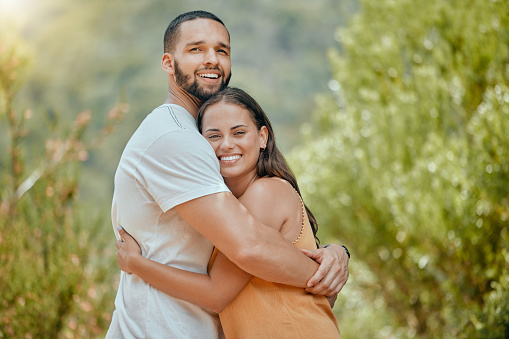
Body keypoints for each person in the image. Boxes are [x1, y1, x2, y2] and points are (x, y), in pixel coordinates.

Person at [106, 10, 349, 339]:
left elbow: (264, 240)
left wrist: (335, 256)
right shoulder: (175, 138)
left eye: (222, 50)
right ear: (167, 62)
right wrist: (325, 273)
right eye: (196, 49)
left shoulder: (203, 151)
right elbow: (249, 246)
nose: (212, 60)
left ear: (262, 137)